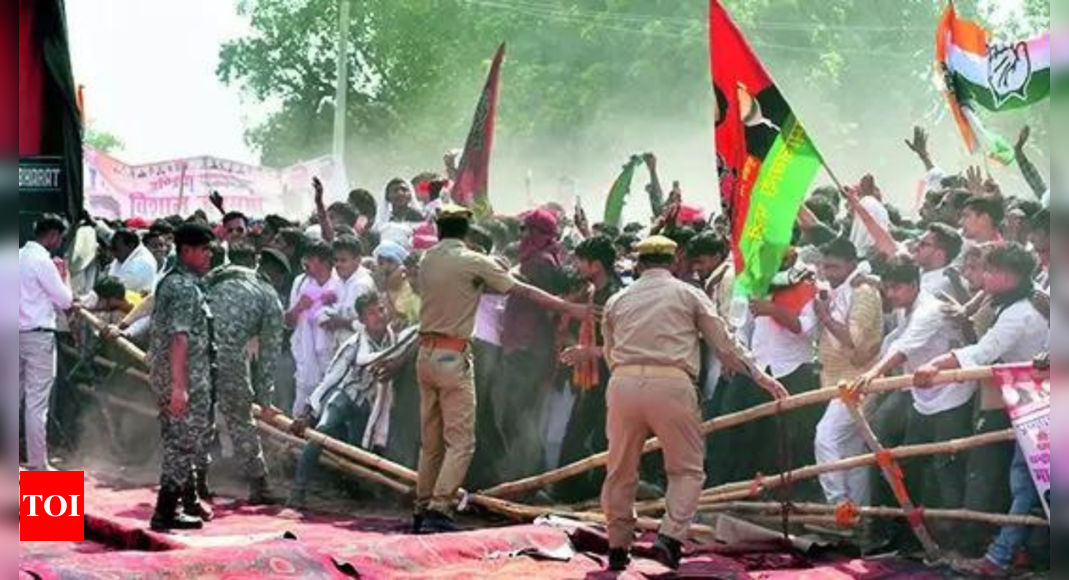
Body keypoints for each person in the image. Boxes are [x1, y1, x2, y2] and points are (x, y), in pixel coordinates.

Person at [599, 235, 788, 572]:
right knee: (686, 470)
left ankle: (616, 546)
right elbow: (726, 346)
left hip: (623, 383)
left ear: (639, 264)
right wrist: (760, 376)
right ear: (674, 262)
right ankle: (669, 539)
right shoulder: (689, 294)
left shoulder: (617, 299)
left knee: (620, 470)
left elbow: (610, 351)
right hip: (673, 383)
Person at [413, 205, 591, 534]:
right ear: (465, 233)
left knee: (432, 440)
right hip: (453, 357)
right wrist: (568, 307)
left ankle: (422, 507)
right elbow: (520, 289)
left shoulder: (428, 259)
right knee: (461, 441)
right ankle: (440, 508)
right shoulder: (472, 261)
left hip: (425, 355)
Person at [915, 244, 1049, 577]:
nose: (984, 277)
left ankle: (1000, 556)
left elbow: (983, 352)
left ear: (1007, 276)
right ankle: (1009, 550)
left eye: (988, 271)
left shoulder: (1020, 312)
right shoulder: (1028, 302)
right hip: (1034, 401)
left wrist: (936, 363)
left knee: (1025, 482)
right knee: (1030, 482)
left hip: (1037, 404)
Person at [851, 257, 976, 538]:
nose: (890, 294)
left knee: (946, 467)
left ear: (914, 285)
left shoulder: (930, 309)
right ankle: (907, 531)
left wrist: (873, 374)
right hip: (922, 397)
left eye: (896, 288)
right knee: (908, 461)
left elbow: (904, 347)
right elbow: (894, 340)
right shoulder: (905, 308)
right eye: (887, 288)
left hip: (951, 396)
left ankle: (958, 538)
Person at [289, 293, 403, 507]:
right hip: (344, 397)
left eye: (381, 310)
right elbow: (330, 379)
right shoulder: (353, 345)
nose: (378, 316)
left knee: (357, 453)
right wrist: (308, 412)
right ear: (361, 320)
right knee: (321, 434)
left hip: (367, 407)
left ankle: (351, 494)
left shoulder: (395, 341)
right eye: (371, 313)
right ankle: (297, 493)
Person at [199, 260, 286, 509]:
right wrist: (265, 401)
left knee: (199, 414)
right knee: (240, 419)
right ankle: (259, 483)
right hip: (227, 354)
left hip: (195, 343)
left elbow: (198, 290)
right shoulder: (271, 299)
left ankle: (196, 482)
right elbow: (269, 357)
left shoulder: (226, 271)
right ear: (278, 279)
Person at [147, 223, 216, 532]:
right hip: (182, 378)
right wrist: (179, 387)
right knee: (182, 444)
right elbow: (179, 338)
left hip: (169, 376)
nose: (209, 255)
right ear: (186, 250)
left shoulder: (172, 281)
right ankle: (164, 511)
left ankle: (184, 504)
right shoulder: (184, 287)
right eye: (204, 249)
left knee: (179, 442)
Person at [813, 238, 884, 508]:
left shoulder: (863, 291)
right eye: (825, 267)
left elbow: (853, 339)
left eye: (834, 267)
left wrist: (825, 318)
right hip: (840, 381)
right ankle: (859, 515)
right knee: (851, 452)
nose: (829, 273)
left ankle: (839, 506)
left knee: (826, 437)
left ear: (852, 264)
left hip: (857, 383)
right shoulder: (842, 288)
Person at [556, 235, 625, 501]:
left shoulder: (617, 298)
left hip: (611, 377)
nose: (577, 267)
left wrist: (588, 352)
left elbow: (623, 347)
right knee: (580, 434)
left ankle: (598, 494)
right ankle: (573, 492)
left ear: (596, 265)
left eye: (581, 262)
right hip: (594, 378)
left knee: (602, 438)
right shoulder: (595, 292)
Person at [19, 214, 75, 472]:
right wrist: (64, 275)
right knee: (36, 404)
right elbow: (65, 300)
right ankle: (38, 465)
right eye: (60, 237)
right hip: (37, 336)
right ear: (53, 235)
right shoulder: (41, 261)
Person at [287, 240, 343, 417]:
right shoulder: (300, 282)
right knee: (301, 405)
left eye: (311, 258)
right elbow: (288, 321)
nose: (306, 262)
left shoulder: (339, 283)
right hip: (304, 355)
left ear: (325, 262)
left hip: (332, 354)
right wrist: (298, 307)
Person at [324, 236, 376, 349]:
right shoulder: (338, 279)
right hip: (339, 346)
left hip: (360, 349)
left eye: (343, 260)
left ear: (357, 260)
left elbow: (370, 324)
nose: (337, 265)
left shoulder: (362, 285)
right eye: (335, 260)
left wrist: (341, 323)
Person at [912, 223, 964, 297]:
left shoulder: (942, 283)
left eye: (923, 244)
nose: (916, 247)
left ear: (939, 254)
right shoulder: (918, 269)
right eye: (918, 241)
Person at [108, 228, 158, 295]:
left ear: (130, 246)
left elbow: (117, 291)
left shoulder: (143, 263)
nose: (114, 254)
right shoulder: (126, 255)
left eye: (117, 249)